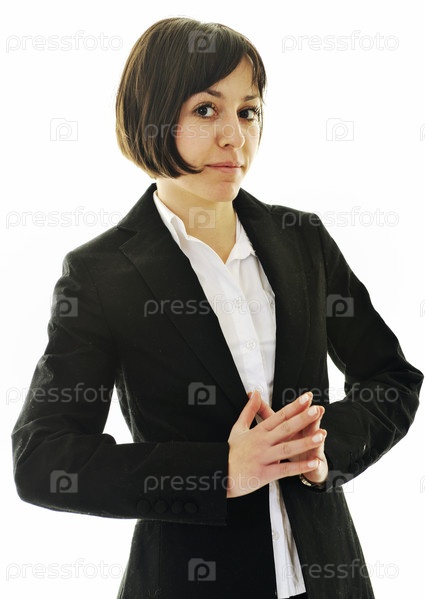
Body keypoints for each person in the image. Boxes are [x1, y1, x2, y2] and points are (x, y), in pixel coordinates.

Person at [11, 16, 422, 599]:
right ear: (151, 117)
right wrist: (220, 473)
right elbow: (42, 458)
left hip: (330, 579)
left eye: (248, 111)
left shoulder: (302, 239)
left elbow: (391, 378)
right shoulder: (100, 274)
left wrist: (325, 449)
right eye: (206, 109)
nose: (235, 136)